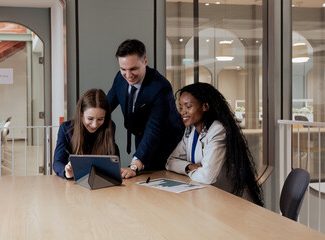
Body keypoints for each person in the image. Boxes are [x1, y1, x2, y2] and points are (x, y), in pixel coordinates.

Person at [166, 82, 264, 206]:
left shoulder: (217, 130)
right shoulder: (190, 132)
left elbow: (207, 177)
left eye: (188, 106)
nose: (183, 112)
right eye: (181, 107)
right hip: (211, 199)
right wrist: (189, 167)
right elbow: (170, 162)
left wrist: (192, 172)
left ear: (205, 106)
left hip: (234, 204)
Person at [107, 39, 184, 178]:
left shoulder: (160, 87)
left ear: (145, 61)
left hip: (167, 144)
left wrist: (135, 164)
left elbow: (154, 128)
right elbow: (105, 107)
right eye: (123, 69)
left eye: (133, 69)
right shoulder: (120, 78)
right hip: (143, 139)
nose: (128, 75)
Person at [53, 89, 117, 179]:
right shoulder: (66, 129)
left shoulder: (109, 127)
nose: (95, 125)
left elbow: (113, 160)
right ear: (81, 114)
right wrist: (66, 171)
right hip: (74, 184)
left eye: (100, 119)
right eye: (90, 118)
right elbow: (57, 162)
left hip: (101, 183)